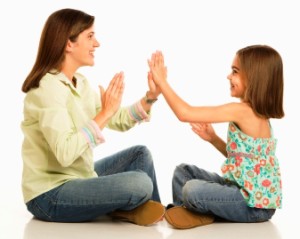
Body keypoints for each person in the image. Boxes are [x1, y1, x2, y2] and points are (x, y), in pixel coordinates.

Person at [20, 8, 165, 226]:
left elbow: (118, 119)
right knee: (140, 183)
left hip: (79, 178)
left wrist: (150, 97)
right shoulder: (46, 88)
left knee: (140, 155)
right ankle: (133, 209)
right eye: (90, 36)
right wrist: (104, 113)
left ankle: (156, 214)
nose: (96, 44)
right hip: (49, 195)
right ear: (69, 43)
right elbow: (65, 153)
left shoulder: (81, 84)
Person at [147, 46, 284, 229]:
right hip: (242, 192)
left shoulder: (243, 111)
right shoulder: (253, 114)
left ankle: (197, 212)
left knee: (191, 189)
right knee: (183, 172)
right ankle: (190, 213)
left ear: (254, 77)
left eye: (235, 72)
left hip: (254, 206)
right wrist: (213, 138)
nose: (229, 76)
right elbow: (242, 161)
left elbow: (185, 113)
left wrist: (162, 83)